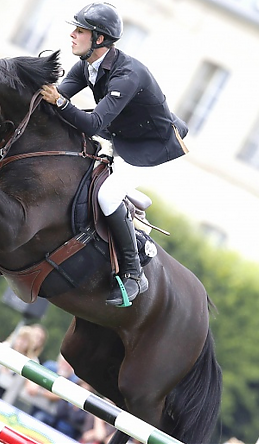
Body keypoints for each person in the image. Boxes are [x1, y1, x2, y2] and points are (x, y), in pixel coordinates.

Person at [40, 2, 189, 307]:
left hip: (152, 146)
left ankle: (135, 273)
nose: (72, 35)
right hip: (121, 137)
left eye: (79, 31)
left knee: (107, 197)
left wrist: (58, 103)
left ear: (99, 40)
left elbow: (93, 121)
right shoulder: (87, 65)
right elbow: (57, 98)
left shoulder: (127, 74)